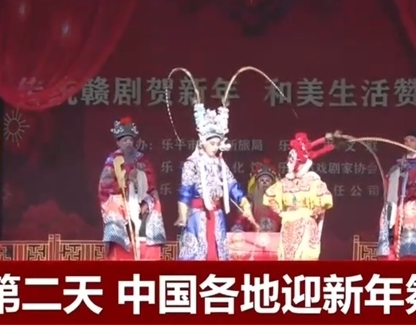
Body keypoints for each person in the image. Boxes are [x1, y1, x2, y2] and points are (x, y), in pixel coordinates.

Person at [175, 102, 255, 260]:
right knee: (197, 253)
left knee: (218, 251)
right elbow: (185, 191)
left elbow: (232, 186)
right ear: (203, 142)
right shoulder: (192, 163)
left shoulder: (220, 163)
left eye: (218, 144)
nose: (215, 147)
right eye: (212, 144)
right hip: (197, 216)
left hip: (216, 214)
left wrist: (244, 203)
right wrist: (182, 215)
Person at [98, 116, 166, 260]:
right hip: (121, 203)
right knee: (116, 210)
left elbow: (151, 184)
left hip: (142, 202)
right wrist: (123, 186)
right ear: (118, 143)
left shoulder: (142, 159)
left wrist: (144, 195)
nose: (128, 143)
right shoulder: (112, 160)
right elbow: (105, 184)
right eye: (124, 141)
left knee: (154, 203)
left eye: (130, 140)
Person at [263, 132, 336, 260]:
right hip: (288, 225)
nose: (288, 163)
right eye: (288, 160)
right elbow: (270, 197)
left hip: (306, 224)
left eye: (291, 160)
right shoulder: (284, 183)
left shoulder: (312, 181)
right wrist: (281, 212)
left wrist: (312, 213)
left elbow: (324, 201)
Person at [376, 130, 416, 260]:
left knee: (410, 211)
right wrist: (395, 175)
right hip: (398, 201)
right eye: (406, 141)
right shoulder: (399, 164)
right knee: (387, 211)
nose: (408, 143)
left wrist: (405, 181)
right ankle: (390, 255)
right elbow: (389, 183)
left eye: (412, 140)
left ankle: (412, 254)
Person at [231, 158, 281, 232]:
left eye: (267, 181)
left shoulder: (279, 198)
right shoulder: (251, 199)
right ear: (257, 184)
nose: (264, 183)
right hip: (256, 229)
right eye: (262, 180)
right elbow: (243, 217)